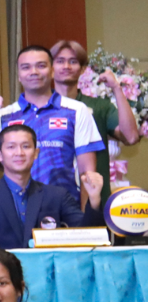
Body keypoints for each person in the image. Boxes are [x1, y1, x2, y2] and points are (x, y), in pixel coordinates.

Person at [0, 46, 104, 213]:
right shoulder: (3, 116)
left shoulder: (76, 110)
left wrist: (85, 222)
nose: (34, 72)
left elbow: (87, 174)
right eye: (26, 67)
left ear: (52, 71)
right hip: (15, 212)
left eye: (41, 66)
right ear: (18, 75)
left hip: (62, 209)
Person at [0, 125, 92, 249]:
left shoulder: (57, 196)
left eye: (26, 146)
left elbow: (87, 235)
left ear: (36, 153)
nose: (19, 153)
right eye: (11, 147)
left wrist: (94, 199)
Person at [51, 39, 141, 207]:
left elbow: (131, 137)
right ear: (50, 68)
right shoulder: (40, 108)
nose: (66, 66)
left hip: (95, 199)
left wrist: (116, 88)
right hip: (52, 198)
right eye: (60, 61)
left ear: (83, 69)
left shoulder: (99, 106)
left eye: (73, 61)